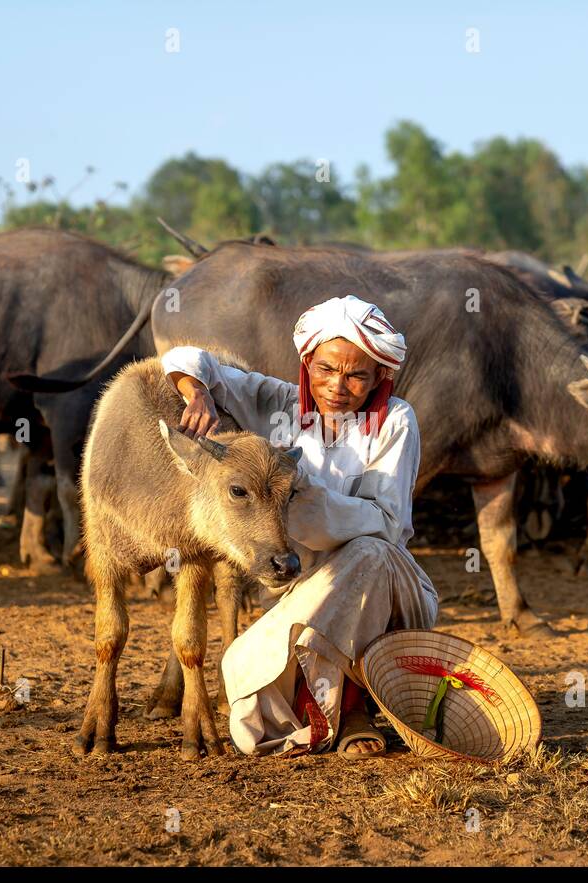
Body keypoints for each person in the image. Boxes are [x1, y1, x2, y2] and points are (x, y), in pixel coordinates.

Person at [161, 294, 438, 757]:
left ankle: (353, 712)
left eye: (356, 375)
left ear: (380, 377)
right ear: (307, 362)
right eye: (326, 369)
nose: (337, 386)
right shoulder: (279, 403)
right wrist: (198, 392)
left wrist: (303, 489)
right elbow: (188, 358)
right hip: (303, 588)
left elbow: (388, 525)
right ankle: (320, 706)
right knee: (246, 684)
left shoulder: (395, 422)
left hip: (385, 589)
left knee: (368, 554)